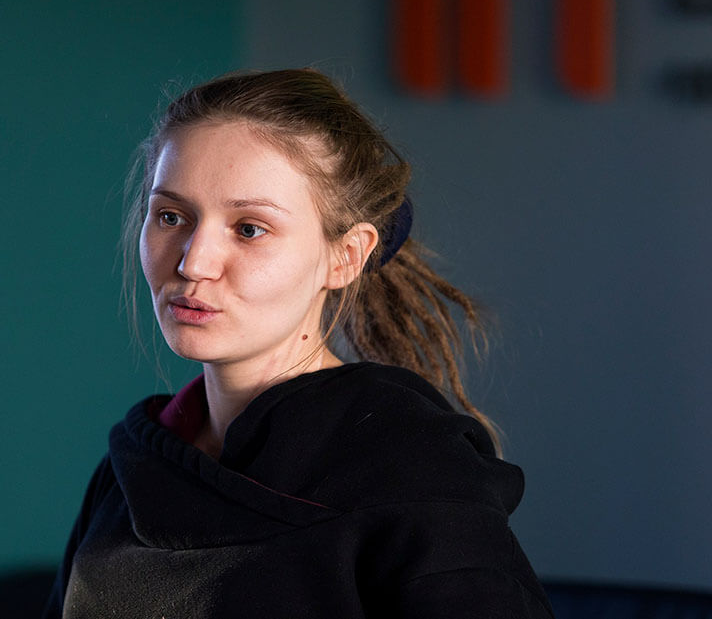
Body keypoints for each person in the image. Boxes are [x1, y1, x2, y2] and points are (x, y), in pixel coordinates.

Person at [43, 68, 553, 618]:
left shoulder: (414, 469)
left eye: (249, 228)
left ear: (346, 257)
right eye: (171, 216)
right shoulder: (132, 468)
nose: (193, 263)